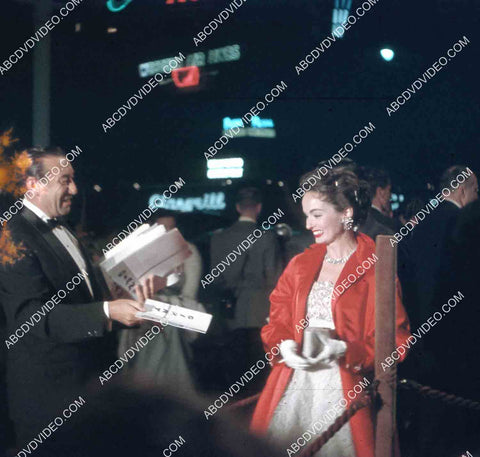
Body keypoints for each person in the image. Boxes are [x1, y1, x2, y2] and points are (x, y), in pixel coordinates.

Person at [0, 147, 163, 446]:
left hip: (92, 390)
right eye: (65, 180)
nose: (74, 189)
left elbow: (86, 301)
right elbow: (31, 318)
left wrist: (127, 304)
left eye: (73, 180)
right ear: (33, 184)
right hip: (50, 400)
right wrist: (107, 312)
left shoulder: (65, 229)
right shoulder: (11, 235)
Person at [250, 168, 411, 457]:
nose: (309, 223)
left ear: (346, 213)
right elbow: (277, 322)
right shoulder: (300, 264)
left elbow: (396, 341)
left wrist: (346, 350)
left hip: (347, 389)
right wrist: (283, 344)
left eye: (317, 214)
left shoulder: (376, 267)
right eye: (307, 214)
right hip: (294, 383)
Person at [362, 167, 397, 232]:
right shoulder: (389, 225)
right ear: (381, 192)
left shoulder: (356, 221)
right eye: (389, 190)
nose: (390, 196)